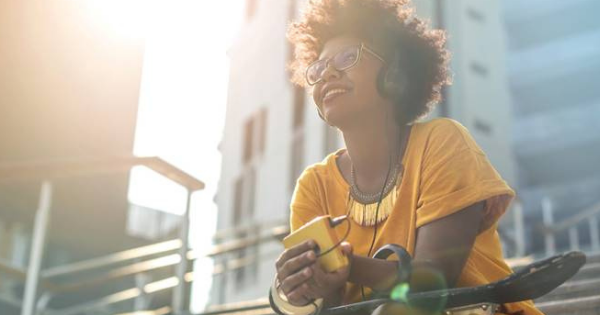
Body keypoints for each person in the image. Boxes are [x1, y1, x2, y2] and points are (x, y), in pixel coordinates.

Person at [272, 0, 542, 314]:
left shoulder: (442, 142)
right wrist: (307, 284)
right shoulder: (313, 185)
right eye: (318, 69)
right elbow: (332, 306)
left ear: (394, 72)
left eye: (348, 57)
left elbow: (433, 284)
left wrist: (348, 266)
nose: (328, 72)